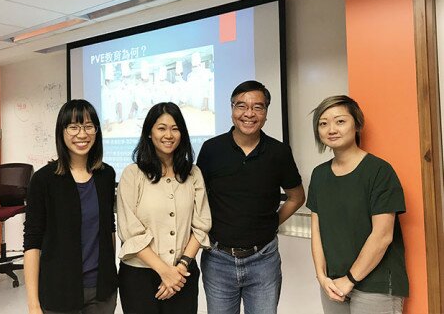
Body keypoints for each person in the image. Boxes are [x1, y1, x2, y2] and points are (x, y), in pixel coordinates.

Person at [197, 80, 305, 314]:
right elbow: (196, 199)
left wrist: (270, 223)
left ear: (266, 112)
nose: (249, 114)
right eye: (241, 106)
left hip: (263, 261)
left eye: (258, 107)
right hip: (217, 259)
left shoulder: (279, 152)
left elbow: (296, 197)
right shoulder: (211, 149)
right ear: (232, 109)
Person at [307, 95, 409, 314]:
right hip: (334, 284)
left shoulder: (379, 171)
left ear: (357, 124)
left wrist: (350, 279)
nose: (331, 129)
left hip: (376, 284)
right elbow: (316, 229)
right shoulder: (319, 175)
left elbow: (382, 236)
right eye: (323, 123)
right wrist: (321, 276)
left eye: (340, 121)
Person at [23, 99, 118, 314]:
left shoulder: (106, 175)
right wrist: (33, 304)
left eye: (88, 126)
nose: (82, 134)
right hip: (59, 291)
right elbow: (32, 242)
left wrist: (110, 277)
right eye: (73, 127)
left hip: (102, 291)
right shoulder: (43, 179)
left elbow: (109, 229)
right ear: (62, 131)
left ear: (97, 130)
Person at [116, 102, 211, 314]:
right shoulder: (133, 174)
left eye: (175, 128)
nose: (168, 135)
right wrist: (164, 271)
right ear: (149, 132)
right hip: (139, 276)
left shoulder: (193, 174)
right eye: (161, 128)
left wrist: (181, 267)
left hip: (182, 273)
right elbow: (129, 231)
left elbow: (202, 224)